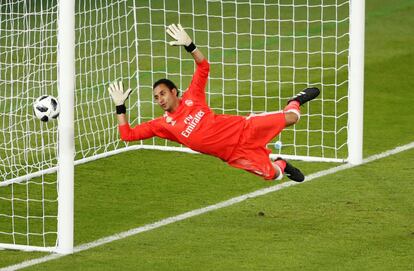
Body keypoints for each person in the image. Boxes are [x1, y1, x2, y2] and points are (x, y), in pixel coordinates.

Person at [108, 23, 320, 182]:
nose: (160, 100)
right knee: (273, 175)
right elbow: (127, 135)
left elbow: (203, 66)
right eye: (156, 97)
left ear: (174, 91)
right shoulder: (162, 125)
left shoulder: (193, 97)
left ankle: (294, 101)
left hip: (244, 129)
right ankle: (282, 163)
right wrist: (120, 107)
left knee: (292, 117)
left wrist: (190, 45)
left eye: (162, 93)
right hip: (235, 154)